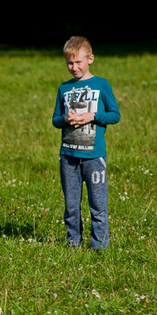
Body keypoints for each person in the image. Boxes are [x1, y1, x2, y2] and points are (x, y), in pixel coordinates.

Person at [52, 36, 120, 251]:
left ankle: (100, 247)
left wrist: (92, 116)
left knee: (98, 204)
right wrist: (65, 120)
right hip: (69, 156)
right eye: (69, 63)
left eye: (78, 62)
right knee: (71, 205)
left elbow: (114, 115)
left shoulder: (101, 84)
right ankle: (73, 244)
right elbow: (55, 119)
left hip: (94, 156)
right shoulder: (64, 88)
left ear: (90, 59)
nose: (74, 67)